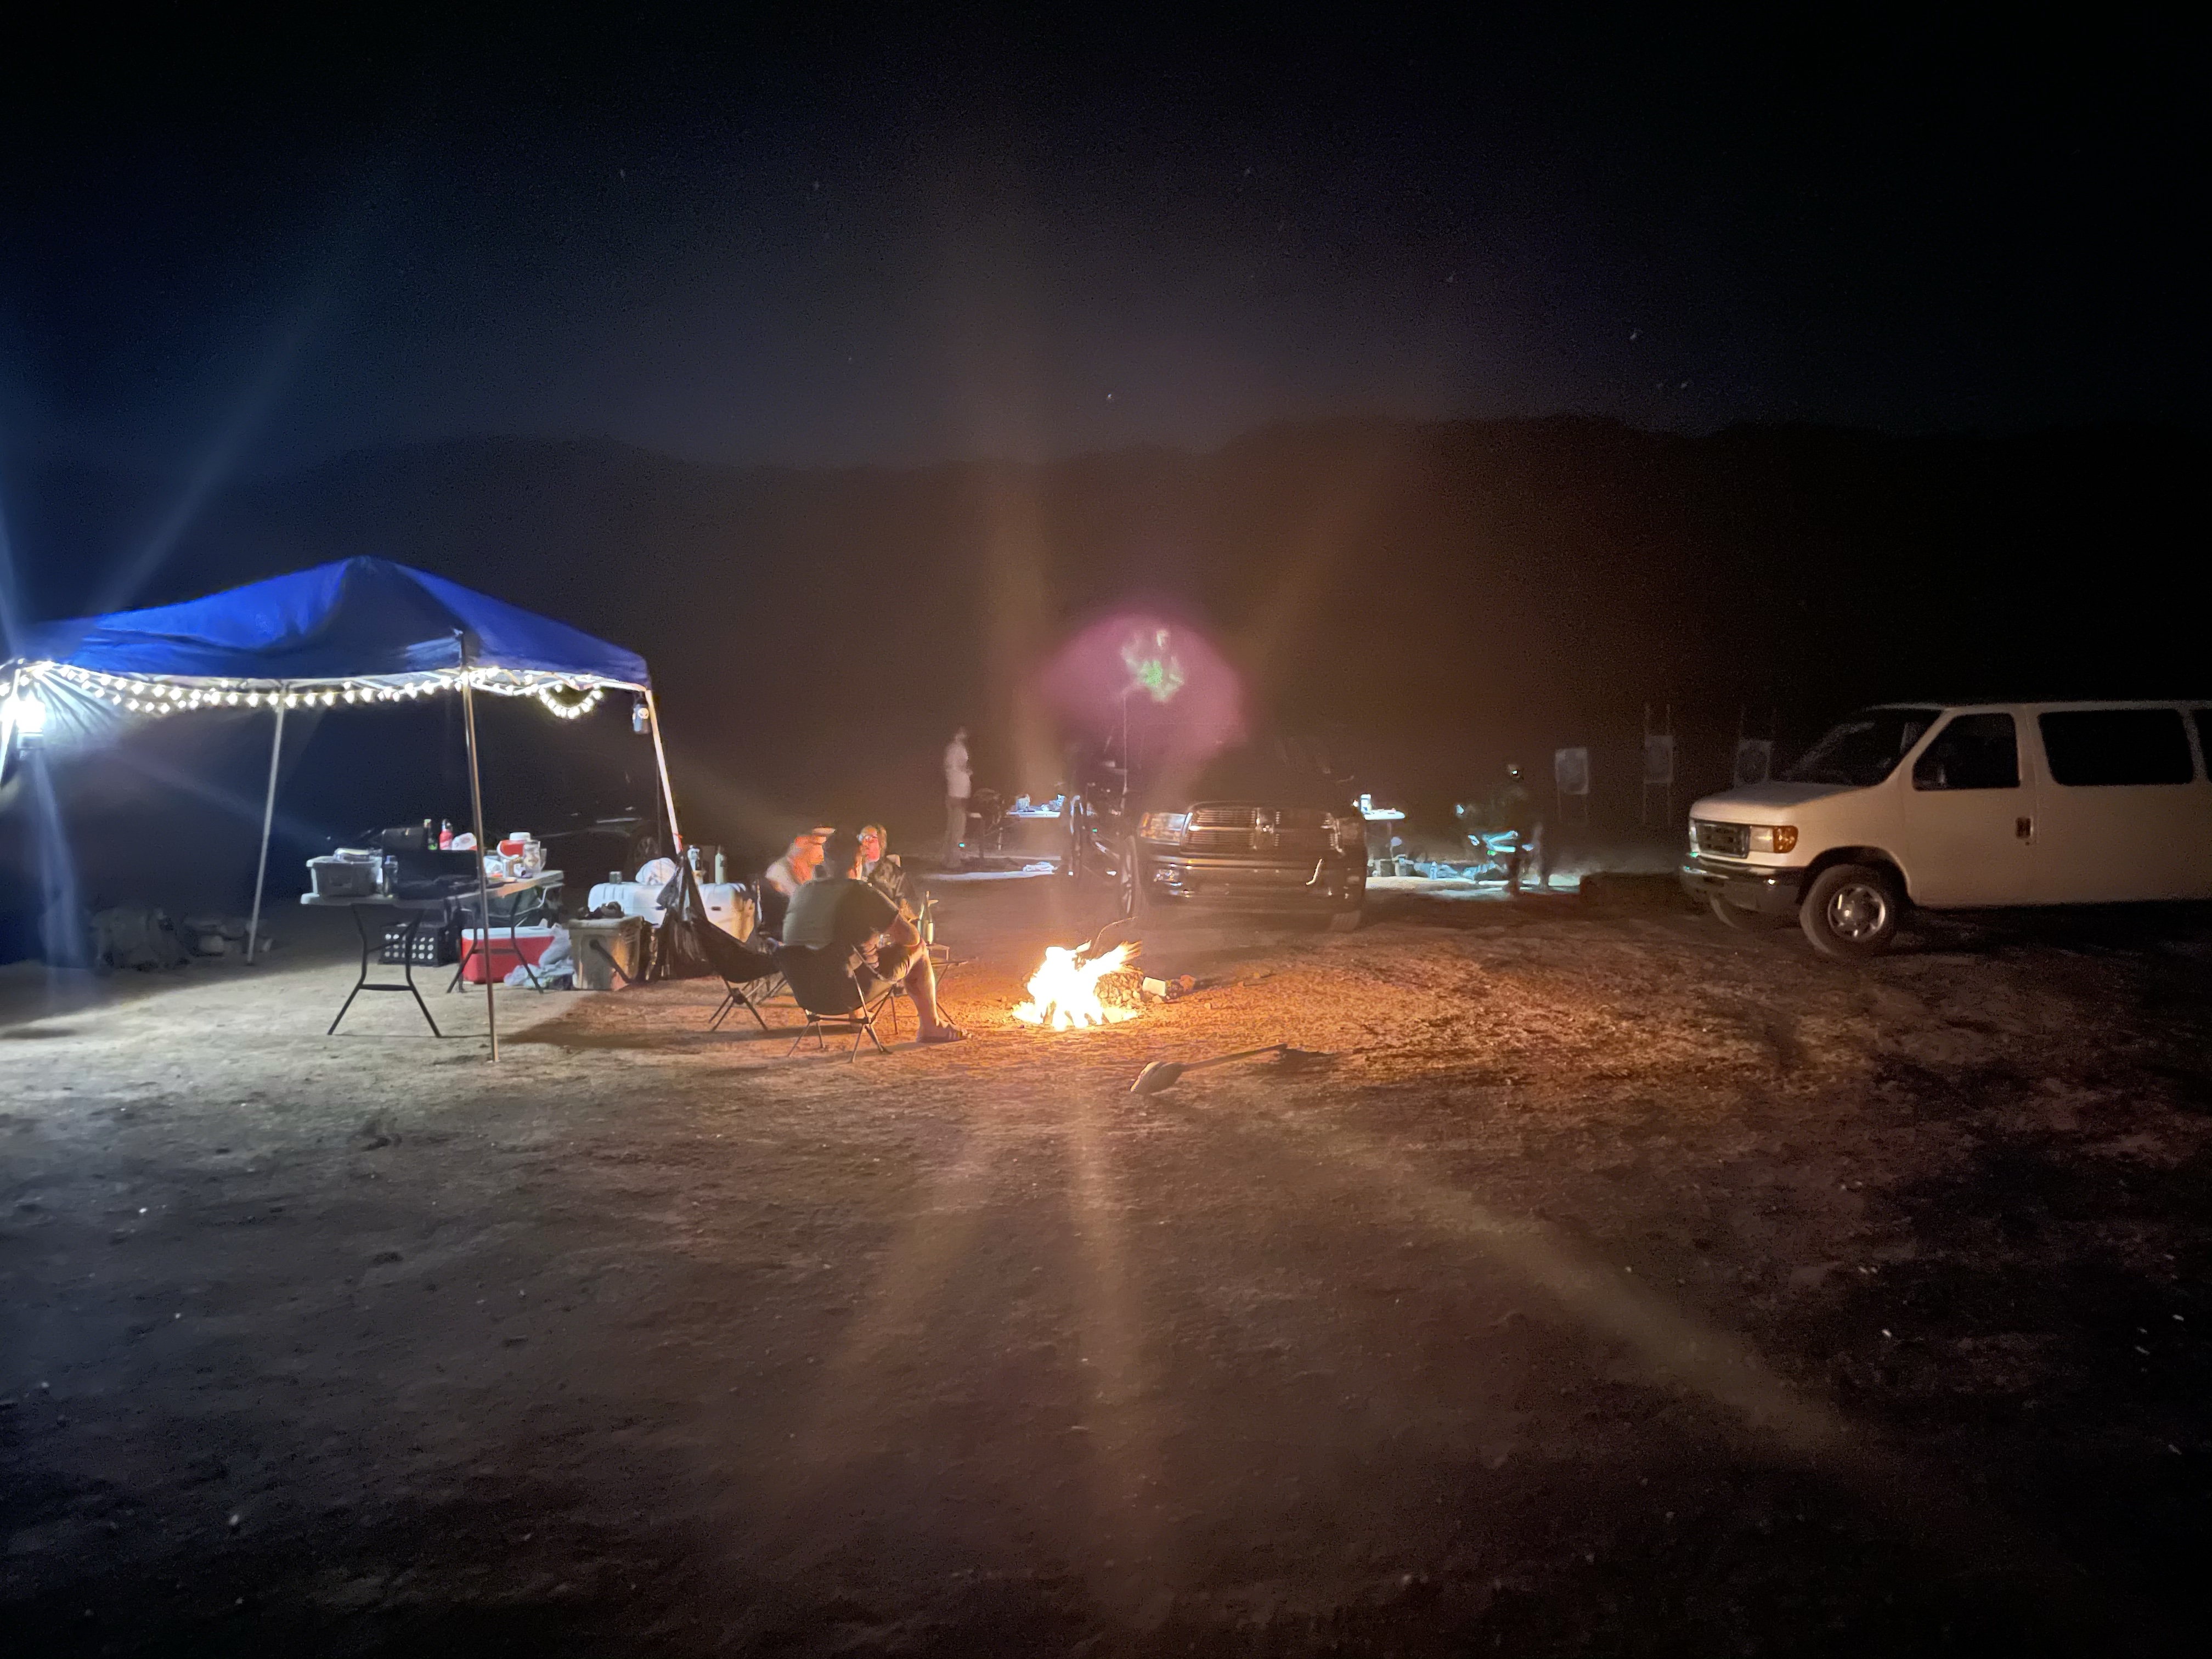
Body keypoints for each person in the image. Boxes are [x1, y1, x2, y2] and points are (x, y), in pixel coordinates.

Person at [784, 830, 965, 1043]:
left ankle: (857, 1017)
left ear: (826, 862)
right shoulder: (862, 893)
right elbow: (911, 938)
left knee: (847, 952)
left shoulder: (802, 892)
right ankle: (931, 1026)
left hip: (808, 994)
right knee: (919, 949)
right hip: (850, 992)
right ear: (857, 863)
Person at [943, 726, 971, 867]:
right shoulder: (960, 749)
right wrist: (969, 772)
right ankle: (954, 861)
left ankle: (946, 859)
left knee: (951, 829)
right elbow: (962, 765)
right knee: (958, 830)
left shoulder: (949, 749)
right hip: (959, 794)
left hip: (951, 792)